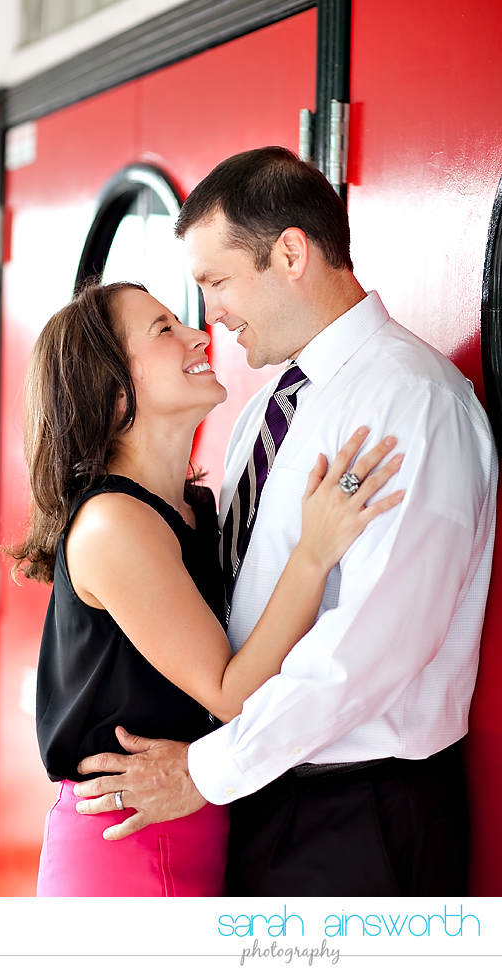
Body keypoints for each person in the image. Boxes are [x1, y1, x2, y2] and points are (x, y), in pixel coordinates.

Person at [74, 147, 498, 896]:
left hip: (359, 817)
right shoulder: (272, 406)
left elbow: (371, 649)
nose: (212, 316)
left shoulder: (411, 401)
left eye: (217, 281)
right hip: (266, 794)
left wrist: (205, 772)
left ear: (291, 253)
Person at [10, 279, 403, 897]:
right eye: (165, 330)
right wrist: (314, 552)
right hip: (128, 842)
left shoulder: (194, 507)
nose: (201, 334)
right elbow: (227, 692)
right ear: (114, 393)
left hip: (192, 821)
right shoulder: (113, 524)